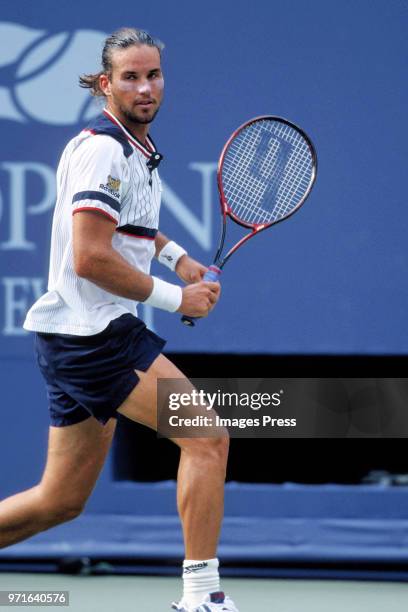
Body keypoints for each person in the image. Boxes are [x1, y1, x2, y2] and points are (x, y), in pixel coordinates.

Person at [0, 28, 239, 612]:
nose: (145, 86)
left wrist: (177, 257)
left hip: (76, 336)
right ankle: (201, 598)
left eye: (153, 74)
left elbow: (131, 227)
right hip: (93, 336)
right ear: (105, 84)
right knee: (207, 436)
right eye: (130, 77)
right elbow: (90, 256)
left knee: (59, 500)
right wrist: (174, 299)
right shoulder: (105, 148)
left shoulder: (131, 148)